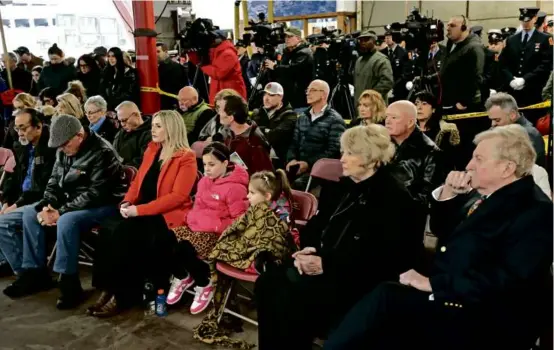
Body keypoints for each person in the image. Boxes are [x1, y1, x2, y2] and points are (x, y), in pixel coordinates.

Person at [324, 124, 553, 350]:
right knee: (383, 309)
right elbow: (446, 231)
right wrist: (448, 193)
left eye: (479, 159)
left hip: (486, 316)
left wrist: (434, 284)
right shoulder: (485, 195)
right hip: (454, 299)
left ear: (506, 168)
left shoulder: (536, 211)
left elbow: (507, 281)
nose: (469, 165)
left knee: (385, 301)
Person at [255, 124, 423, 350]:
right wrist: (309, 249)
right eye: (343, 152)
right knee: (268, 283)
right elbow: (317, 226)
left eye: (350, 153)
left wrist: (327, 264)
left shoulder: (394, 198)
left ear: (371, 158)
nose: (342, 159)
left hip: (356, 277)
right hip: (325, 262)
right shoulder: (341, 187)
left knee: (288, 296)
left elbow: (384, 257)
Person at [2, 115, 125, 310]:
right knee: (31, 213)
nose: (62, 150)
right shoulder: (63, 149)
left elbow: (96, 193)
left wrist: (61, 211)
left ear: (79, 135)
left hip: (104, 204)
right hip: (72, 201)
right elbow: (53, 180)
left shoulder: (102, 151)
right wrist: (48, 204)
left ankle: (70, 283)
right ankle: (34, 272)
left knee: (68, 221)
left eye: (65, 145)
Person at [88, 110, 198, 318]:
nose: (152, 129)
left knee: (124, 235)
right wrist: (127, 201)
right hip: (141, 209)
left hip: (165, 215)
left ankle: (122, 296)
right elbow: (137, 182)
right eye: (153, 125)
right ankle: (107, 288)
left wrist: (138, 210)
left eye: (158, 126)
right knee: (107, 229)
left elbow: (177, 197)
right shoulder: (152, 149)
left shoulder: (186, 157)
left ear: (171, 128)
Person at [193, 169, 296, 347]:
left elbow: (276, 237)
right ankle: (247, 262)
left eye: (252, 193)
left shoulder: (277, 213)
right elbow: (243, 229)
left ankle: (255, 262)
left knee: (261, 249)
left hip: (270, 252)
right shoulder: (255, 209)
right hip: (252, 246)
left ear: (267, 195)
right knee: (226, 246)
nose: (247, 196)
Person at [167, 142, 249, 313]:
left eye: (212, 164)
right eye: (204, 164)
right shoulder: (204, 181)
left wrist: (215, 224)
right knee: (164, 239)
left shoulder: (235, 188)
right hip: (197, 228)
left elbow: (240, 221)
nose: (207, 169)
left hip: (218, 235)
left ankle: (205, 282)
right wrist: (191, 218)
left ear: (225, 163)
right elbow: (197, 206)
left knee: (183, 248)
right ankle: (184, 276)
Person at [0, 108, 56, 276]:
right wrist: (7, 201)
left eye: (23, 128)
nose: (19, 133)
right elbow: (14, 178)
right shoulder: (24, 147)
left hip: (40, 201)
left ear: (38, 127)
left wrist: (16, 205)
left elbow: (42, 188)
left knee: (2, 223)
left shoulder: (51, 148)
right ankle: (6, 260)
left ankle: (26, 273)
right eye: (17, 129)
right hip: (22, 198)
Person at [385, 100, 445, 210]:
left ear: (410, 122)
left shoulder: (430, 152)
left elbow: (427, 199)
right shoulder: (380, 145)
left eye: (394, 118)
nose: (387, 121)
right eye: (387, 117)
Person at [286, 80, 346, 190]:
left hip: (321, 171)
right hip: (298, 166)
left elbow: (333, 150)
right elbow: (294, 143)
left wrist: (308, 164)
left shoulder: (335, 120)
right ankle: (278, 207)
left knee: (298, 186)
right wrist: (291, 159)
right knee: (273, 182)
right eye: (307, 90)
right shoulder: (303, 117)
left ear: (324, 94)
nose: (308, 93)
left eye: (312, 90)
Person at [500, 7, 552, 113]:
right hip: (514, 92)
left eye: (528, 20)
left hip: (534, 91)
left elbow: (546, 64)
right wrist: (510, 80)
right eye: (523, 20)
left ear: (535, 19)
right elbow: (503, 64)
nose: (525, 23)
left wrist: (525, 79)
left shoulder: (544, 39)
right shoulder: (512, 40)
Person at [216, 93, 273, 174]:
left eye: (220, 110)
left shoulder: (255, 142)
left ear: (231, 118)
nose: (218, 113)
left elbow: (265, 178)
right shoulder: (228, 133)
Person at [486, 92, 545, 166]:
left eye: (497, 120)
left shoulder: (528, 135)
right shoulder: (496, 130)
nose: (493, 124)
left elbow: (520, 170)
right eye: (491, 120)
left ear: (512, 115)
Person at [188, 31, 247, 104]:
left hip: (230, 96)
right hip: (220, 93)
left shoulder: (228, 53)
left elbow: (219, 73)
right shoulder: (217, 52)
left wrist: (202, 65)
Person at [250, 82, 298, 168]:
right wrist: (267, 130)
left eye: (271, 95)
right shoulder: (257, 113)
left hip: (278, 161)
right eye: (265, 94)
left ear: (280, 97)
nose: (266, 98)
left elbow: (275, 137)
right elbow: (249, 134)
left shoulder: (290, 115)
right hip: (255, 155)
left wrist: (258, 130)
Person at [265, 27, 314, 109]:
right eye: (285, 37)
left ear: (298, 38)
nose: (286, 39)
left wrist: (275, 66)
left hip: (299, 99)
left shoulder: (305, 53)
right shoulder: (287, 52)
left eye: (290, 37)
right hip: (286, 98)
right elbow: (281, 73)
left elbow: (294, 70)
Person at [414, 91, 461, 169]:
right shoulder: (407, 130)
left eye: (424, 103)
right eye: (416, 104)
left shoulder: (444, 132)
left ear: (433, 109)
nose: (419, 107)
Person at [353, 30, 394, 103]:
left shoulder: (381, 60)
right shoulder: (359, 61)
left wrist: (370, 97)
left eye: (366, 40)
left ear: (374, 41)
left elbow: (387, 82)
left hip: (376, 106)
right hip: (360, 105)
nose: (363, 43)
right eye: (361, 40)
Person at [112, 101, 152, 168]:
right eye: (120, 121)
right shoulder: (120, 133)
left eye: (124, 120)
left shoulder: (151, 133)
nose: (122, 124)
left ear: (136, 115)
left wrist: (121, 169)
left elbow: (143, 160)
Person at [100, 47, 140, 111]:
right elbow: (102, 89)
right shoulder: (107, 71)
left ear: (118, 57)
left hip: (125, 108)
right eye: (109, 56)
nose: (111, 59)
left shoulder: (129, 72)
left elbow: (129, 93)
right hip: (109, 109)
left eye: (113, 56)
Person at [156, 42, 187, 110]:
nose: (156, 54)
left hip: (171, 105)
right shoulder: (158, 68)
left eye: (158, 51)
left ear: (166, 52)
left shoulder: (175, 67)